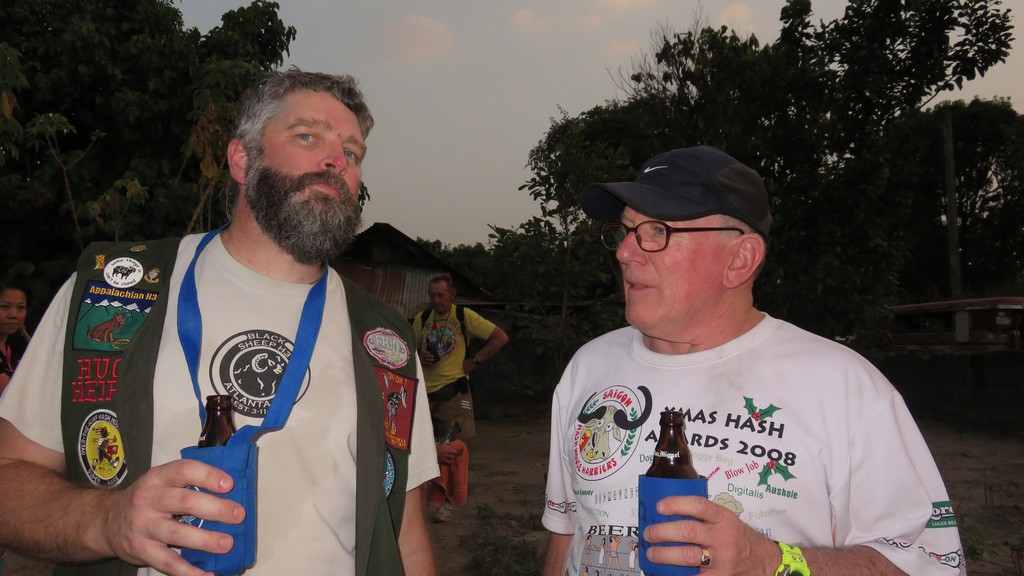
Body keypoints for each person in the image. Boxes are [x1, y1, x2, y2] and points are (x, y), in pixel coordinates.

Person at [0, 69, 439, 576]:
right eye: (307, 136)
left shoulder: (384, 337)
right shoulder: (113, 293)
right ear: (242, 159)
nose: (336, 160)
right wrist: (104, 519)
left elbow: (405, 536)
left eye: (352, 152)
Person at [541, 146, 966, 576]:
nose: (624, 253)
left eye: (656, 231)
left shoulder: (841, 385)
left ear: (739, 259)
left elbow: (931, 566)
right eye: (625, 230)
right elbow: (567, 531)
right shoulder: (589, 366)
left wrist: (768, 561)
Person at [412, 273, 508, 522]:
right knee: (426, 447)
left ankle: (444, 503)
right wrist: (419, 357)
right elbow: (409, 350)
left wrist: (475, 360)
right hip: (424, 394)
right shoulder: (423, 318)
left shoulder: (464, 316)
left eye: (441, 295)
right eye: (432, 295)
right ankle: (425, 500)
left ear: (452, 294)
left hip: (453, 392)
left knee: (449, 448)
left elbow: (500, 337)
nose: (436, 300)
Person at [0, 280, 29, 398]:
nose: (14, 315)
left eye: (20, 307)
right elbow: (11, 396)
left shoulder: (10, 351)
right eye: (5, 307)